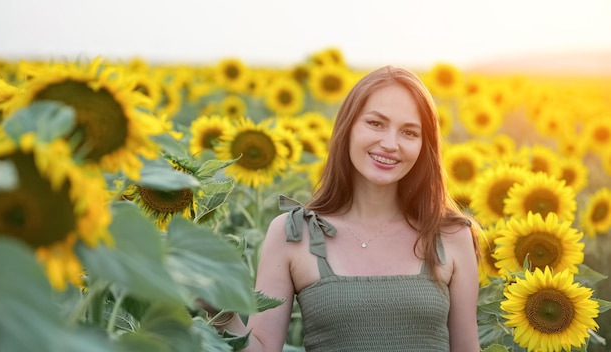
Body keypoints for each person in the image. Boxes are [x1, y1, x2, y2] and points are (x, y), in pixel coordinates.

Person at [206, 65, 481, 352]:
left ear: (425, 146)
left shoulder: (450, 235)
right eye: (375, 123)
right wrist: (216, 307)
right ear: (347, 127)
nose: (390, 144)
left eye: (409, 132)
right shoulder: (294, 233)